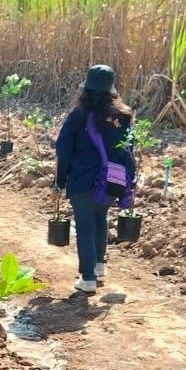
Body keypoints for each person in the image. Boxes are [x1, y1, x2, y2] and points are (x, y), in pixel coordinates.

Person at [54, 64, 137, 293]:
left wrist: (59, 181)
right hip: (113, 179)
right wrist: (132, 178)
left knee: (85, 226)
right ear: (111, 90)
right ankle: (99, 265)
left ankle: (88, 277)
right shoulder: (122, 116)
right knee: (101, 218)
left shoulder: (78, 116)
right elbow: (129, 150)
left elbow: (63, 149)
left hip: (83, 179)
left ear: (86, 89)